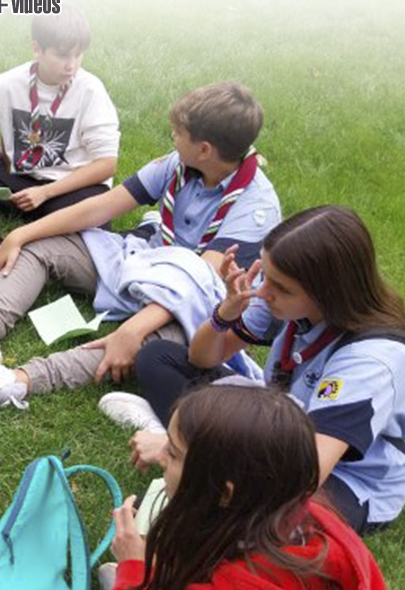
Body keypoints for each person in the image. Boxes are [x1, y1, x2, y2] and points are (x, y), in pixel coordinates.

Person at [0, 82, 281, 417]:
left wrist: (132, 331)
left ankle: (14, 381)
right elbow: (103, 206)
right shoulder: (179, 165)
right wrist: (22, 235)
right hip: (146, 261)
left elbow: (197, 282)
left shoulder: (255, 206)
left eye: (178, 134)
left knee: (145, 344)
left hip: (198, 304)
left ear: (204, 149)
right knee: (42, 247)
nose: (173, 139)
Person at [113, 206, 405, 533]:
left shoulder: (371, 360)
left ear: (327, 293)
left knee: (268, 519)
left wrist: (186, 457)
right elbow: (202, 358)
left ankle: (182, 440)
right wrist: (225, 312)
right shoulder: (284, 299)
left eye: (281, 287)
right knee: (160, 358)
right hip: (272, 427)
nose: (262, 293)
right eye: (265, 274)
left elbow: (306, 473)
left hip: (339, 478)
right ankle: (183, 438)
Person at [109, 385, 386, 590]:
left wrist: (133, 569)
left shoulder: (243, 581)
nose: (159, 457)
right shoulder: (305, 514)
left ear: (224, 493)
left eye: (173, 453)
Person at [0, 5, 121, 280]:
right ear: (37, 49)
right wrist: (9, 175)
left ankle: (37, 239)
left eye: (78, 54)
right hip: (23, 181)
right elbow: (6, 134)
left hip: (71, 188)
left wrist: (45, 193)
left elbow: (106, 165)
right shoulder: (7, 85)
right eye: (63, 55)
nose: (72, 65)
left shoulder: (91, 91)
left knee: (97, 217)